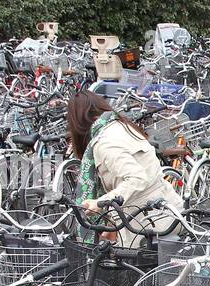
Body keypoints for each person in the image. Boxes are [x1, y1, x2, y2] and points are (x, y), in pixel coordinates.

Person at [66, 90, 183, 247]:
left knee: (131, 269)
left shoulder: (105, 143)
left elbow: (136, 178)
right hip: (168, 212)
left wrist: (99, 203)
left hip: (145, 226)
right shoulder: (121, 126)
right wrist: (113, 224)